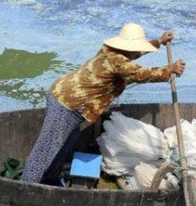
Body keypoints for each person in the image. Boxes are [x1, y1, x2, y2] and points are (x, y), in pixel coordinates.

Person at [21, 24, 184, 185]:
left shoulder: (112, 49)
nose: (135, 51)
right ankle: (27, 186)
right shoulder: (118, 62)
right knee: (47, 148)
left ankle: (49, 178)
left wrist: (159, 41)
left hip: (70, 98)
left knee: (66, 143)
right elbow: (140, 74)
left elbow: (134, 53)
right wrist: (169, 70)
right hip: (67, 102)